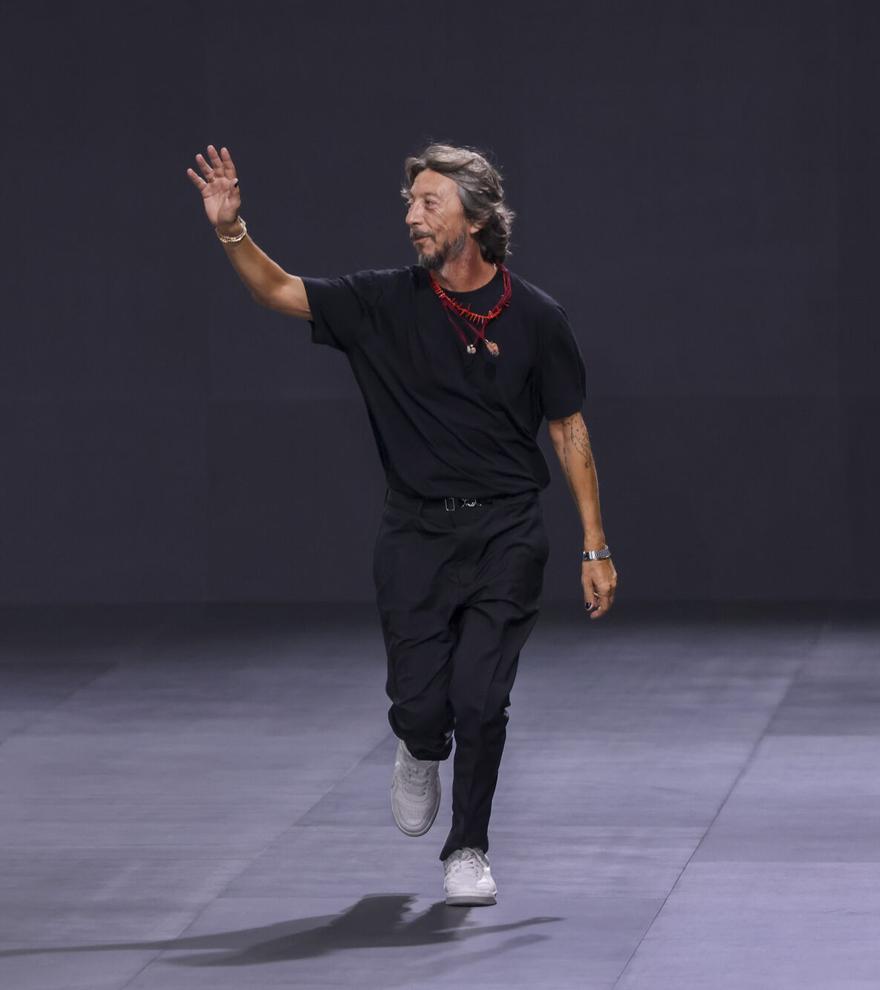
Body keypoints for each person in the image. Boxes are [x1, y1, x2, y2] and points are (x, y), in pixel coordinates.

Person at [186, 142, 618, 906]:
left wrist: (595, 544)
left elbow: (568, 428)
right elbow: (279, 290)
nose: (412, 216)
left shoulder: (538, 317)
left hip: (507, 533)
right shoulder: (383, 303)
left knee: (481, 698)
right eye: (409, 203)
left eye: (429, 203)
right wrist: (231, 230)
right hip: (416, 536)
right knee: (423, 704)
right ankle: (419, 747)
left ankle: (469, 847)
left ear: (476, 218)